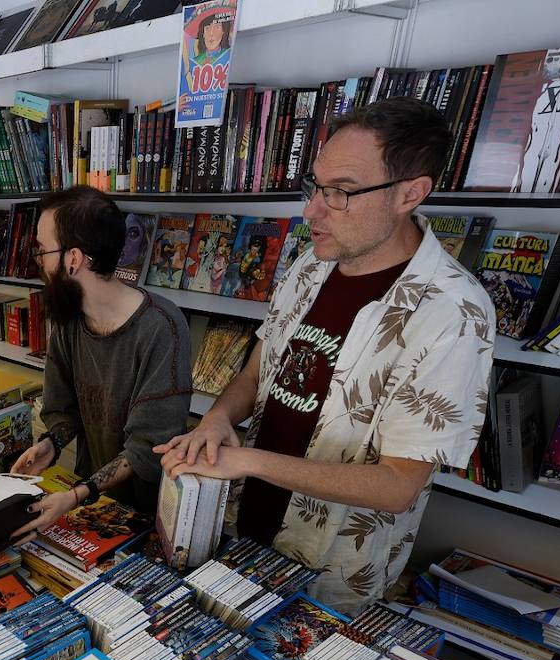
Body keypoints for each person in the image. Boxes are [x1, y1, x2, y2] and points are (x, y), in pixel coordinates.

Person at [158, 97, 494, 614]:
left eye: (341, 192)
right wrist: (219, 419)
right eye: (315, 186)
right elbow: (259, 368)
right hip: (241, 524)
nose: (312, 209)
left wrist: (246, 460)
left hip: (330, 570)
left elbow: (396, 487)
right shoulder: (310, 265)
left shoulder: (454, 313)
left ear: (411, 193)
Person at [11, 185, 192, 531]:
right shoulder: (70, 319)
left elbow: (147, 450)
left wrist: (77, 495)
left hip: (146, 518)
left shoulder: (162, 328)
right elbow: (63, 409)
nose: (40, 263)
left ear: (73, 259)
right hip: (91, 507)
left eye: (43, 251)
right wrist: (51, 444)